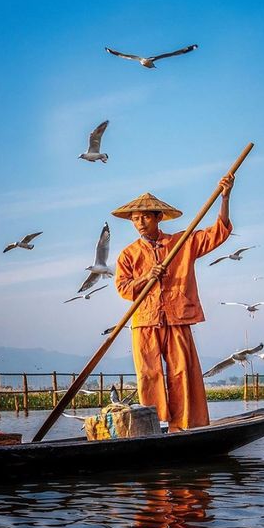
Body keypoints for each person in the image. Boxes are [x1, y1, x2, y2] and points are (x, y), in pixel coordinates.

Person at [113, 174, 235, 432]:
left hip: (178, 317)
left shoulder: (182, 242)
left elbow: (218, 233)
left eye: (145, 217)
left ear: (158, 217)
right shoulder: (129, 254)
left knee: (183, 372)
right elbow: (123, 288)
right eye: (135, 218)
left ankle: (183, 426)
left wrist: (224, 197)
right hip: (144, 321)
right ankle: (153, 427)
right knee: (149, 376)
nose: (140, 223)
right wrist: (147, 277)